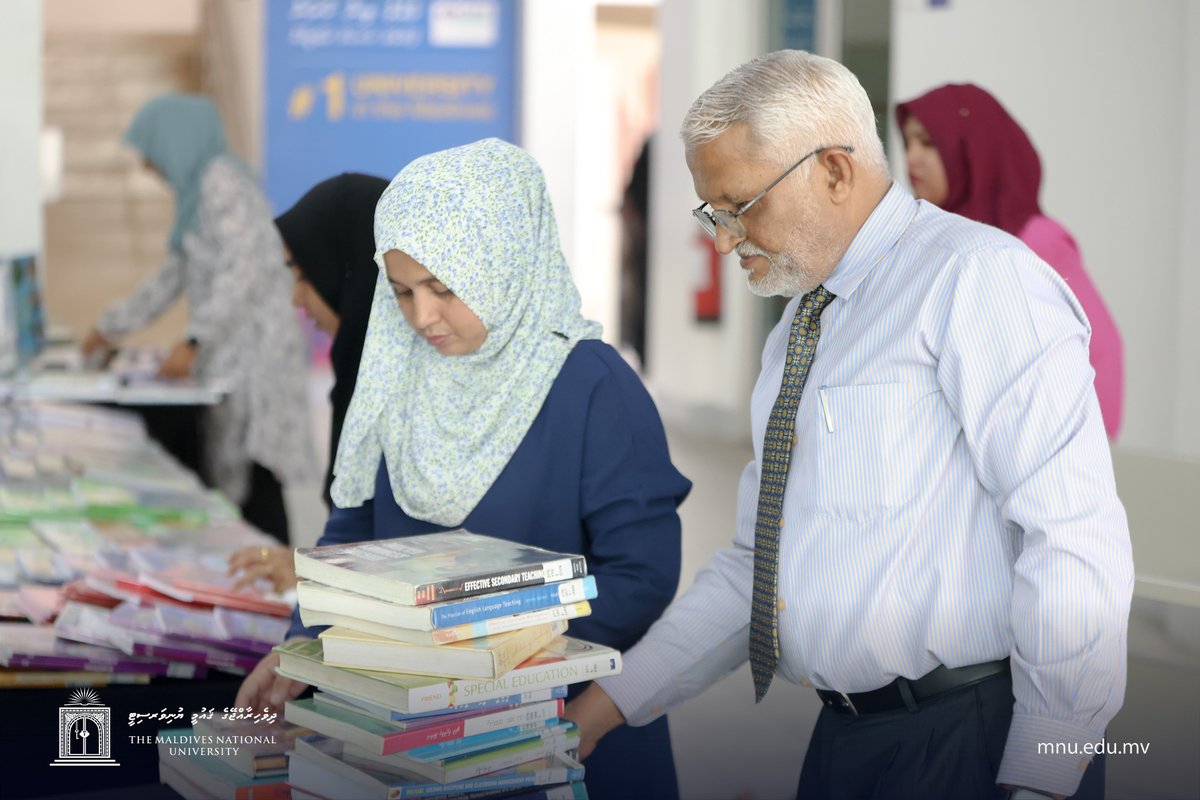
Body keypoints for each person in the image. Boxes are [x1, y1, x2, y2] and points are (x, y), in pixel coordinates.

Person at [564, 51, 1132, 800]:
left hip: (977, 740)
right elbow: (758, 570)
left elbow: (1071, 535)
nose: (726, 241)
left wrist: (1047, 770)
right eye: (713, 214)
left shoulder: (979, 280)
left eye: (742, 206)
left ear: (834, 170)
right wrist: (605, 707)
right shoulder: (804, 324)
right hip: (848, 742)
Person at [235, 138, 692, 800]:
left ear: (502, 261)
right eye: (401, 292)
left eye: (443, 288)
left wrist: (485, 649)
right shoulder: (401, 371)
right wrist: (305, 639)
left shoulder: (593, 387)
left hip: (564, 737)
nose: (422, 317)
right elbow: (354, 528)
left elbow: (642, 577)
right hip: (416, 733)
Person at [80, 94, 314, 543]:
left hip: (255, 360)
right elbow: (174, 274)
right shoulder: (198, 193)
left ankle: (278, 587)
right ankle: (259, 579)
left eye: (153, 152)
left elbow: (242, 270)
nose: (151, 168)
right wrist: (112, 324)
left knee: (257, 475)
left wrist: (195, 339)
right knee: (236, 479)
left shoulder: (221, 181)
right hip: (233, 356)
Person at [895, 83, 1124, 439]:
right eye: (908, 143)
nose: (910, 158)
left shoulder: (1034, 241)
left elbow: (1103, 352)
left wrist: (1079, 462)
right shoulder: (928, 241)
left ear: (974, 150)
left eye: (926, 142)